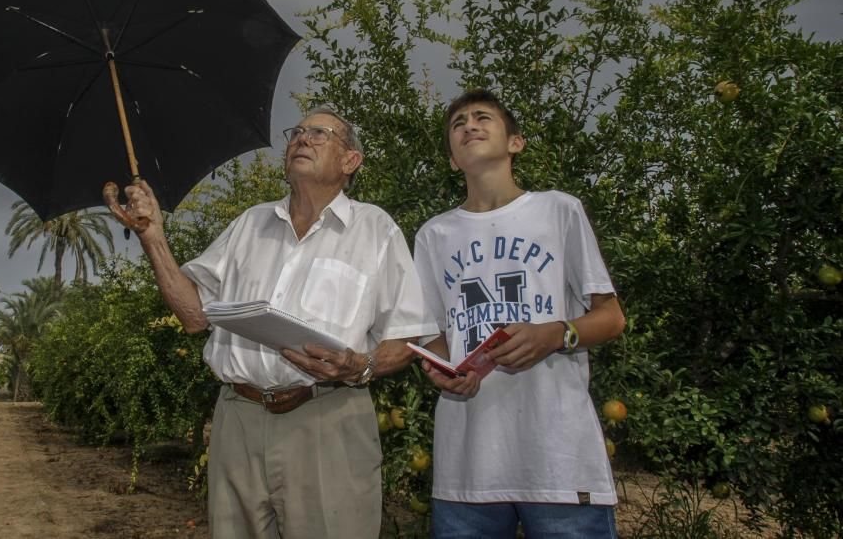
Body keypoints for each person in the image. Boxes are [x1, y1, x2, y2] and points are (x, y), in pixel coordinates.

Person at [118, 107, 438, 539]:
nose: (302, 139)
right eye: (298, 131)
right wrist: (153, 235)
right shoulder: (250, 224)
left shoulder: (375, 230)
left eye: (320, 133)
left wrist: (360, 366)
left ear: (350, 162)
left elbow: (406, 333)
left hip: (328, 416)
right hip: (238, 418)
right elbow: (194, 317)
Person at [413, 89, 626, 539]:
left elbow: (611, 317)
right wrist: (442, 369)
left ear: (516, 143)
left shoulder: (558, 210)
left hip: (560, 462)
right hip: (465, 470)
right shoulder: (433, 235)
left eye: (482, 117)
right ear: (452, 159)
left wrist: (555, 334)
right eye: (458, 124)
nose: (469, 125)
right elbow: (433, 334)